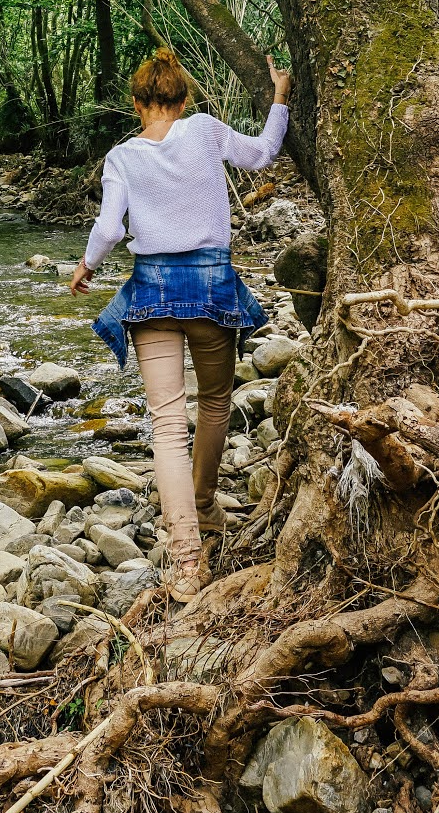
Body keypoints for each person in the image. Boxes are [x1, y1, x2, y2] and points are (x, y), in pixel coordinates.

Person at [69, 46, 291, 602]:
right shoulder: (206, 131)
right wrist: (280, 97)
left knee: (167, 423)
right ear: (185, 98)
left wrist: (85, 266)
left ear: (137, 102)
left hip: (152, 290)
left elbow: (109, 227)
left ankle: (187, 559)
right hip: (212, 285)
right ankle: (205, 502)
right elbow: (264, 155)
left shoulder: (121, 157)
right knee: (215, 401)